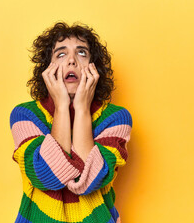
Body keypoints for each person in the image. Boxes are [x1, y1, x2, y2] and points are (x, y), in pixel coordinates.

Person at [9, 21, 133, 223]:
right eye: (61, 54)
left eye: (82, 53)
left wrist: (83, 108)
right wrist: (62, 107)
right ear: (47, 68)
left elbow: (89, 182)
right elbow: (47, 175)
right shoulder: (25, 115)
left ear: (95, 68)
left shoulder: (116, 118)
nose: (72, 61)